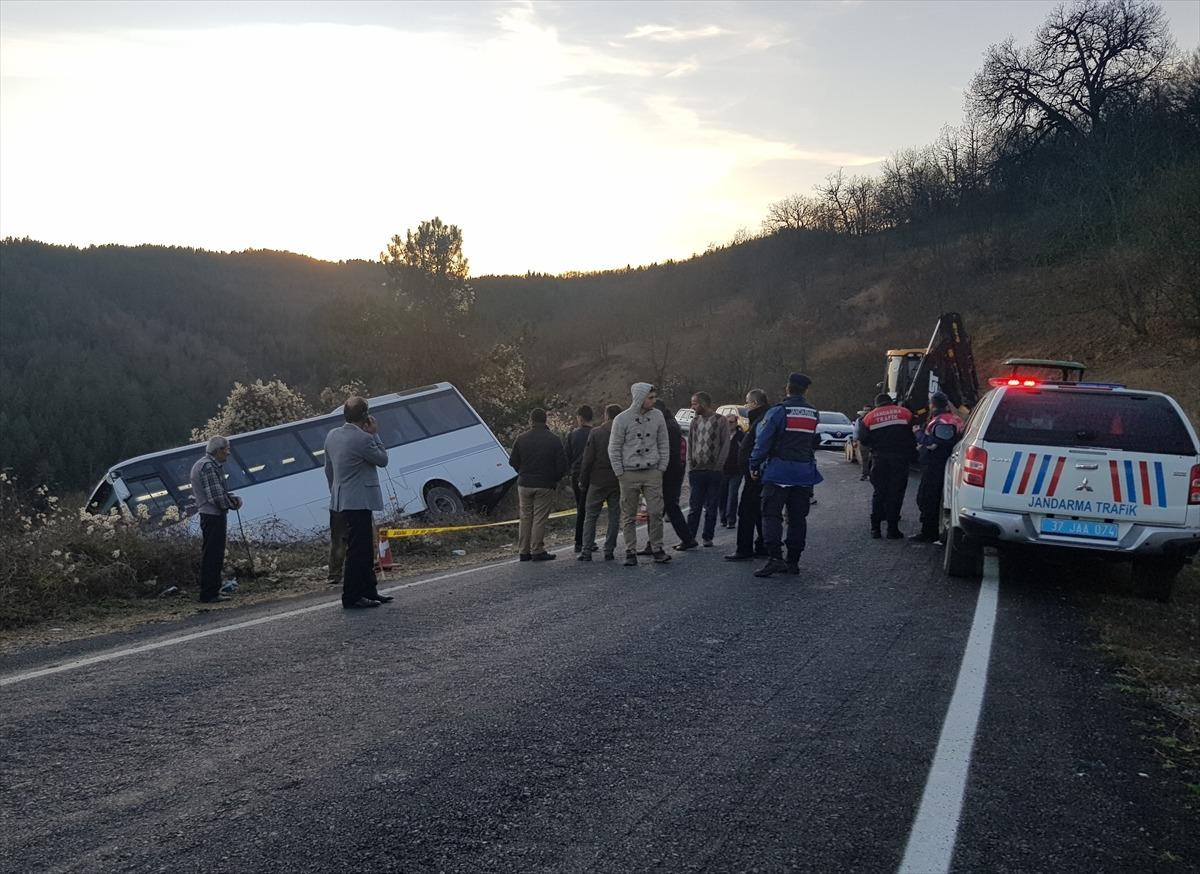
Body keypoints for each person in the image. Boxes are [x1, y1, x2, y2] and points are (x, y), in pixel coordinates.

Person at [749, 373, 824, 578]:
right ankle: (793, 561)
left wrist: (754, 465)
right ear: (805, 390)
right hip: (804, 474)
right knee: (798, 519)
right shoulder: (813, 413)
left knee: (771, 515)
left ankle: (775, 559)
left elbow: (762, 442)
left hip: (778, 472)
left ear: (787, 389)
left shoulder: (778, 412)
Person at [325, 396, 392, 608]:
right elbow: (382, 460)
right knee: (358, 550)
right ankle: (352, 595)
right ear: (365, 416)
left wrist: (336, 492)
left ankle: (369, 590)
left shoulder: (332, 436)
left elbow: (328, 469)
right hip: (359, 500)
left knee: (363, 548)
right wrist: (375, 434)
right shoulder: (363, 439)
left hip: (341, 499)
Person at [609, 382, 672, 566]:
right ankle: (630, 551)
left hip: (652, 471)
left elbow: (663, 443)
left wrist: (662, 467)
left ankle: (657, 548)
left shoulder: (658, 416)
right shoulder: (621, 419)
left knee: (656, 511)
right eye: (650, 397)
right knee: (629, 515)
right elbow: (614, 447)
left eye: (654, 397)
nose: (653, 401)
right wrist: (619, 471)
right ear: (639, 398)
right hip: (629, 473)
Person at [508, 408, 569, 562]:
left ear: (531, 421)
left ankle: (523, 551)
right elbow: (562, 466)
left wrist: (522, 472)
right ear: (545, 420)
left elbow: (512, 461)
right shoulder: (553, 440)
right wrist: (553, 479)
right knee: (539, 518)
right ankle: (537, 550)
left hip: (524, 484)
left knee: (525, 518)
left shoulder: (521, 438)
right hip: (544, 484)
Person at [189, 435, 243, 603]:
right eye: (226, 449)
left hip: (209, 515)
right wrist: (231, 504)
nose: (228, 453)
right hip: (213, 516)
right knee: (213, 555)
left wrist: (229, 497)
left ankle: (213, 590)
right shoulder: (209, 467)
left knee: (213, 554)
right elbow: (216, 497)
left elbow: (216, 493)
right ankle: (209, 593)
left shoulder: (204, 464)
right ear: (218, 450)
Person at [858, 392, 916, 539]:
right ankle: (892, 529)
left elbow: (863, 439)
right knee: (895, 493)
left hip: (880, 459)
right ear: (891, 402)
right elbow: (913, 433)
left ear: (877, 404)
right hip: (900, 458)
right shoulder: (904, 413)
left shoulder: (869, 417)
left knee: (879, 492)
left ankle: (875, 529)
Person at [910, 391, 965, 542]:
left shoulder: (939, 421)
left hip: (935, 464)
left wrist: (918, 433)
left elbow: (933, 444)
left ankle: (929, 532)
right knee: (937, 498)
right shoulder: (957, 419)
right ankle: (934, 530)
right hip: (952, 463)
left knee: (926, 498)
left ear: (933, 405)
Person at [644, 399, 693, 552]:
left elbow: (667, 452)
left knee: (658, 508)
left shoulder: (667, 427)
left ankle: (654, 544)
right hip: (672, 472)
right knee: (667, 507)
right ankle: (686, 538)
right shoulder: (670, 424)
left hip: (667, 473)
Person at [725, 389, 769, 562]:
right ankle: (763, 544)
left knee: (746, 511)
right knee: (759, 511)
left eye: (747, 402)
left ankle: (744, 548)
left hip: (755, 474)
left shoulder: (762, 419)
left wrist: (753, 466)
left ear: (755, 403)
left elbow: (760, 445)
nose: (746, 406)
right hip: (756, 473)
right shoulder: (762, 417)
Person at [685, 391, 732, 547]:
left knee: (711, 506)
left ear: (704, 403)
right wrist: (691, 464)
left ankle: (708, 536)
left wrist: (719, 466)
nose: (692, 407)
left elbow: (726, 444)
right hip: (697, 470)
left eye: (695, 403)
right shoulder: (695, 421)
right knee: (694, 507)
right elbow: (690, 443)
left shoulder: (721, 420)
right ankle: (689, 537)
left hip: (714, 471)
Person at [577, 404, 624, 561]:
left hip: (597, 480)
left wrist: (583, 481)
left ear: (606, 415)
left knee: (591, 516)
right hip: (617, 479)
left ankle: (586, 551)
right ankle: (609, 549)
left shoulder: (596, 433)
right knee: (614, 516)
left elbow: (587, 460)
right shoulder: (624, 433)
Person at [564, 405, 594, 554]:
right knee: (591, 509)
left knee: (580, 507)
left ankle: (580, 541)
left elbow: (566, 457)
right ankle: (588, 540)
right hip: (592, 475)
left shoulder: (572, 435)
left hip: (576, 474)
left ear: (580, 418)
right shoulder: (595, 434)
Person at [719, 414, 744, 529]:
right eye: (728, 422)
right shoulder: (721, 435)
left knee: (732, 495)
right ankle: (723, 517)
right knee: (722, 494)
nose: (730, 424)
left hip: (737, 470)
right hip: (723, 470)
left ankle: (731, 519)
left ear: (736, 423)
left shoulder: (741, 436)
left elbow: (745, 450)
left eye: (732, 422)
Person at [852, 405, 874, 482]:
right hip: (863, 442)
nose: (866, 412)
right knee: (864, 459)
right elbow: (856, 430)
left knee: (873, 459)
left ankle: (872, 474)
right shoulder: (859, 420)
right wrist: (855, 440)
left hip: (874, 442)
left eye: (868, 410)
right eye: (865, 410)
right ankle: (864, 474)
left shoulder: (874, 419)